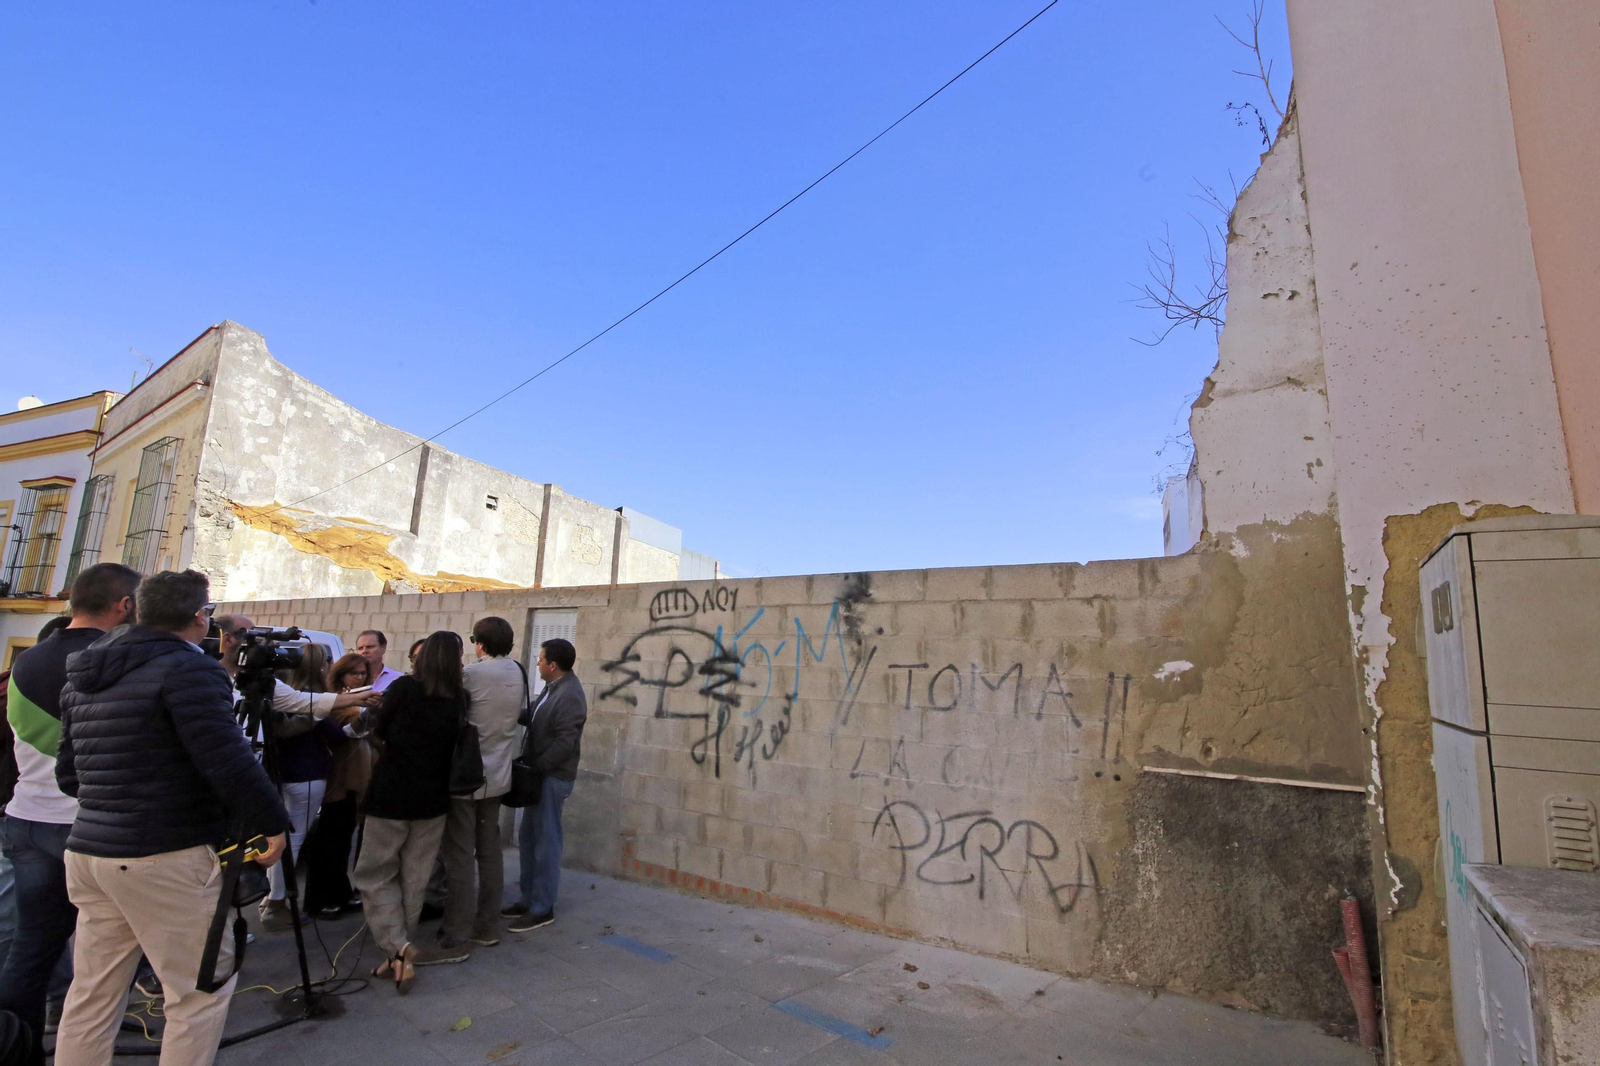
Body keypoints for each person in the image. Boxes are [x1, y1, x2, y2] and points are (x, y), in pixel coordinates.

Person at [53, 570, 290, 1066]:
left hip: (90, 850)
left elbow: (69, 775)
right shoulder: (189, 668)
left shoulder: (87, 669)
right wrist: (272, 822)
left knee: (93, 994)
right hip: (164, 853)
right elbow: (229, 762)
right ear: (199, 617)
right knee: (199, 993)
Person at [0, 565, 140, 1062]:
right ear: (125, 605)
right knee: (111, 948)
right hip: (90, 823)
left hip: (27, 816)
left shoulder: (27, 660)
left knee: (31, 949)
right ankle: (85, 1039)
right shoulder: (115, 659)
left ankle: (16, 1049)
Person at [352, 632, 462, 989]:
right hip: (433, 800)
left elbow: (379, 729)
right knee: (415, 878)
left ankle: (397, 946)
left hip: (391, 795)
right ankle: (399, 957)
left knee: (374, 874)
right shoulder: (459, 698)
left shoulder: (403, 688)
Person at [429, 618, 524, 962]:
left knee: (459, 855)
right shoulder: (518, 671)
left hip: (466, 776)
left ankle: (456, 934)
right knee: (490, 852)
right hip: (498, 776)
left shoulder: (471, 674)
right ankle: (486, 926)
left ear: (480, 643)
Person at [257, 645, 350, 931]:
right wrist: (357, 724)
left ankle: (271, 898)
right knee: (291, 843)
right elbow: (336, 737)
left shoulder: (280, 695)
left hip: (280, 774)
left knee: (278, 840)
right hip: (307, 776)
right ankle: (276, 903)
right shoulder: (312, 700)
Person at [504, 637, 586, 933]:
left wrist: (539, 766)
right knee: (528, 838)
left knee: (546, 843)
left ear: (552, 664)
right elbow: (534, 716)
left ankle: (542, 907)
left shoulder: (570, 694)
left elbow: (566, 742)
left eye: (540, 659)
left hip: (551, 777)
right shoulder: (553, 688)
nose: (537, 663)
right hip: (539, 777)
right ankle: (527, 899)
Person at [301, 653, 373, 919]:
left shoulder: (359, 697)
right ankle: (321, 899)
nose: (359, 678)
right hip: (336, 777)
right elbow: (343, 732)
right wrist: (366, 714)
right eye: (354, 673)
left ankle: (339, 892)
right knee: (329, 839)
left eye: (363, 673)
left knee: (343, 839)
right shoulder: (333, 700)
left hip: (355, 775)